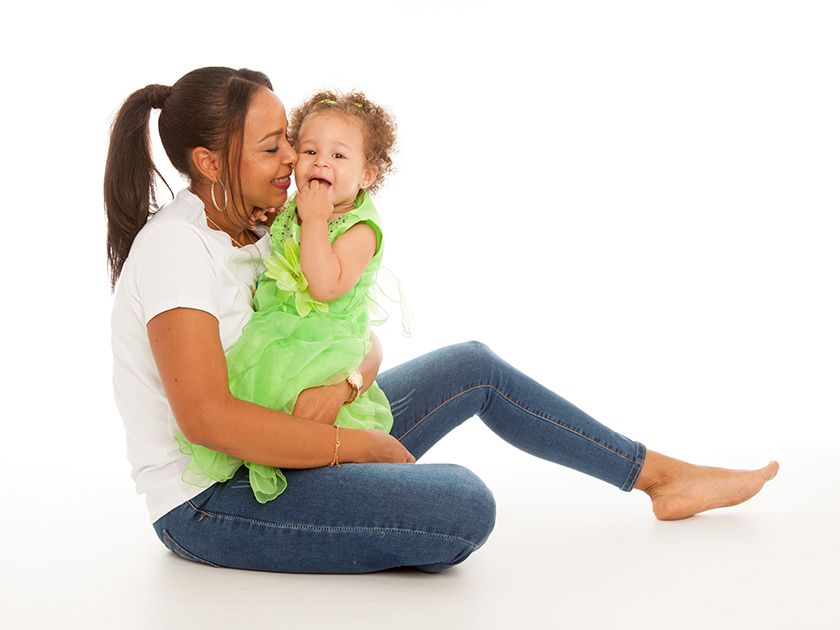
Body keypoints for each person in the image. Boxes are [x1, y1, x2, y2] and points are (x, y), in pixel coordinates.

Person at [106, 67, 779, 574]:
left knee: (472, 365)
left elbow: (356, 337)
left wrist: (344, 387)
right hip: (213, 500)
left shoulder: (262, 228)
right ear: (208, 162)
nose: (294, 159)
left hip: (294, 433)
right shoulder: (176, 251)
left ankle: (661, 477)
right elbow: (207, 421)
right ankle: (359, 491)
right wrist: (356, 447)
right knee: (463, 505)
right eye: (273, 145)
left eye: (290, 140)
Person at [174, 90, 401, 504]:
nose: (320, 162)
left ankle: (327, 477)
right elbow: (280, 241)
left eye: (338, 156)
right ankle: (297, 474)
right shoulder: (292, 210)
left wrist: (313, 220)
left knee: (311, 419)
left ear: (367, 175)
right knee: (273, 409)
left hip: (322, 348)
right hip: (278, 339)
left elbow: (325, 285)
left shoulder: (360, 229)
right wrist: (282, 219)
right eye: (310, 150)